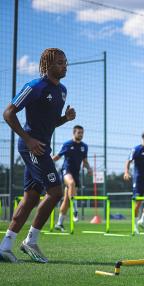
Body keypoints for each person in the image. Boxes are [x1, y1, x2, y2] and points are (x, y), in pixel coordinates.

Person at [0, 48, 75, 263]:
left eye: (65, 62)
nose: (64, 66)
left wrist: (65, 119)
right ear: (48, 65)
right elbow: (8, 113)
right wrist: (29, 140)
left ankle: (5, 246)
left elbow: (51, 122)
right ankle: (30, 241)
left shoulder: (62, 91)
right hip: (32, 146)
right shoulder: (34, 86)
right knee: (55, 192)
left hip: (42, 147)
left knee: (31, 197)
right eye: (60, 63)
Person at [52, 125, 92, 231]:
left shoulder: (84, 146)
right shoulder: (67, 144)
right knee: (71, 183)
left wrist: (89, 169)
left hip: (76, 173)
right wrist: (47, 162)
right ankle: (75, 210)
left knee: (66, 200)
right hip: (66, 171)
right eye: (79, 132)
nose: (81, 134)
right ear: (74, 133)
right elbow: (57, 157)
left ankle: (59, 223)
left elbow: (85, 161)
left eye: (82, 133)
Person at [123, 131, 144, 234]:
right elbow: (128, 161)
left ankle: (142, 220)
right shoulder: (136, 149)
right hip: (138, 179)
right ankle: (134, 225)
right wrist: (126, 172)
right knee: (137, 203)